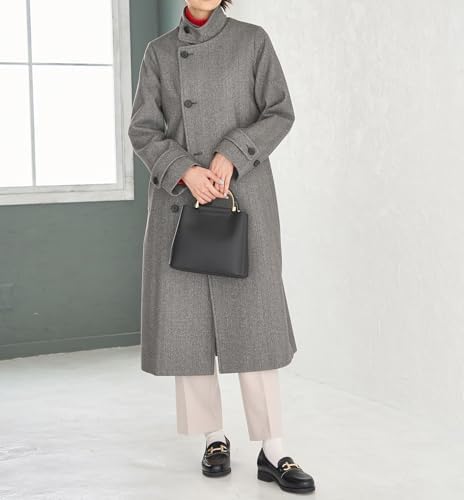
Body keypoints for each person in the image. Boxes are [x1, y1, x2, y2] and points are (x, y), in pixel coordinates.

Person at [128, 0, 315, 493]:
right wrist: (184, 170)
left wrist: (232, 153)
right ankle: (213, 437)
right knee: (187, 329)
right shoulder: (159, 52)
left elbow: (279, 111)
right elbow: (143, 128)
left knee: (256, 324)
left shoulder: (252, 40)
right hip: (180, 202)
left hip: (243, 195)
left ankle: (274, 449)